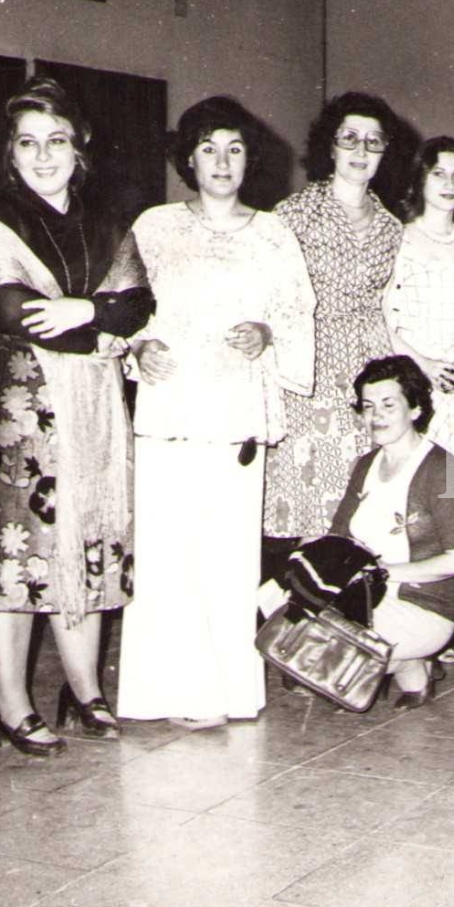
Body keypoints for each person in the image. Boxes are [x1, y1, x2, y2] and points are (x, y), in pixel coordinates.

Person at [0, 77, 153, 754]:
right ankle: (10, 706)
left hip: (92, 407)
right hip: (16, 406)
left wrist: (87, 311)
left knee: (85, 540)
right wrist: (103, 327)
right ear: (11, 151)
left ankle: (84, 692)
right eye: (28, 143)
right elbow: (13, 312)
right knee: (14, 551)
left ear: (79, 146)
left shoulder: (107, 220)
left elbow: (138, 303)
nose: (44, 155)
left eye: (56, 140)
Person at [120, 96, 315, 729]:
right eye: (208, 149)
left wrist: (267, 333)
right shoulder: (153, 227)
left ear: (250, 159)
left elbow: (296, 314)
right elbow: (120, 307)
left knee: (227, 556)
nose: (222, 161)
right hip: (170, 408)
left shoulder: (274, 234)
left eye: (234, 149)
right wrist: (138, 347)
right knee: (166, 553)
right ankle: (166, 694)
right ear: (189, 159)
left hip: (234, 412)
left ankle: (228, 692)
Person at [264, 93, 405, 542]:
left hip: (370, 369)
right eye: (350, 138)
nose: (361, 150)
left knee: (366, 502)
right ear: (330, 145)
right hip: (312, 369)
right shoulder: (292, 215)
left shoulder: (392, 227)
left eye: (373, 141)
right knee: (315, 502)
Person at [328, 355, 454, 708]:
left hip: (424, 606)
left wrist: (383, 572)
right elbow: (338, 537)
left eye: (388, 404)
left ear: (415, 408)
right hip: (366, 597)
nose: (376, 416)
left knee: (331, 652)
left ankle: (404, 660)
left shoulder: (445, 469)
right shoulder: (365, 465)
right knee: (293, 618)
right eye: (368, 406)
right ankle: (408, 667)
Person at [384, 137, 454, 451]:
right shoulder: (397, 240)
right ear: (420, 179)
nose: (449, 183)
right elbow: (383, 322)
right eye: (438, 173)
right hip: (412, 379)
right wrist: (425, 366)